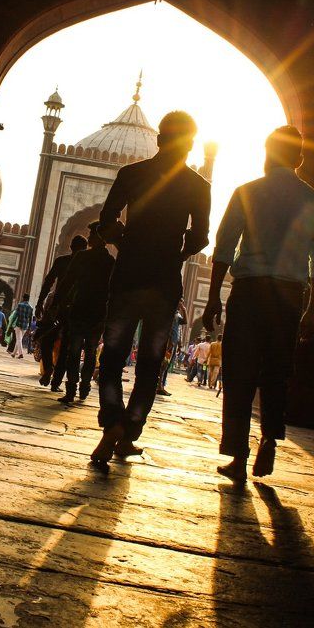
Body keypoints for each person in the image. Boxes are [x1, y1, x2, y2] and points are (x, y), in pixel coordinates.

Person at [202, 125, 314, 482]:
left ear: (267, 154)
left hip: (249, 292)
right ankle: (269, 440)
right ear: (299, 159)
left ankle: (238, 456)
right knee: (277, 372)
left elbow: (223, 249)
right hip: (288, 298)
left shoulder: (247, 192)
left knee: (239, 373)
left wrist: (213, 298)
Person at [90, 111, 211, 465]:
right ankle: (129, 432)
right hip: (164, 283)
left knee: (112, 359)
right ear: (190, 145)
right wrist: (176, 253)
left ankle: (112, 424)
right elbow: (200, 237)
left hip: (128, 277)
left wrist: (125, 243)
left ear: (159, 139)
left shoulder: (132, 174)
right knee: (149, 366)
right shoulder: (198, 185)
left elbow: (106, 221)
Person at [53, 221, 115, 404]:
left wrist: (57, 304)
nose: (88, 238)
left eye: (91, 235)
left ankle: (71, 389)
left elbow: (67, 282)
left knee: (74, 351)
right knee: (90, 352)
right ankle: (84, 387)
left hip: (80, 310)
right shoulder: (110, 261)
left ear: (99, 237)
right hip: (98, 314)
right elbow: (114, 290)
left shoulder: (82, 257)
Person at [34, 235, 88, 386]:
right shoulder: (87, 265)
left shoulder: (62, 261)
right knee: (66, 346)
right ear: (85, 249)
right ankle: (56, 381)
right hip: (75, 309)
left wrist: (40, 302)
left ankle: (49, 369)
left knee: (47, 340)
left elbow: (48, 282)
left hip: (58, 307)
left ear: (70, 247)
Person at [10, 293, 33, 359]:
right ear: (28, 299)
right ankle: (14, 353)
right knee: (19, 339)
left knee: (19, 339)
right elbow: (30, 318)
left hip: (19, 324)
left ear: (23, 298)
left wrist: (11, 323)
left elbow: (15, 315)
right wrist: (29, 327)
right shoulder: (31, 307)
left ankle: (21, 353)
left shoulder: (20, 305)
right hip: (25, 325)